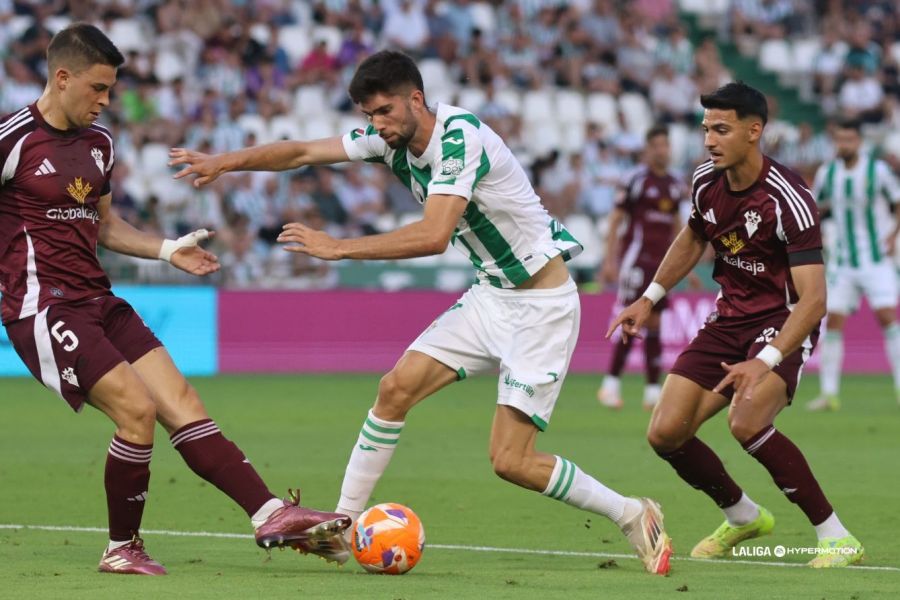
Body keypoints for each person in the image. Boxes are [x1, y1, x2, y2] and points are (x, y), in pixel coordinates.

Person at [170, 49, 673, 575]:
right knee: (395, 389)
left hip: (542, 308)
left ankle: (632, 512)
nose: (378, 125)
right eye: (369, 115)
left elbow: (434, 235)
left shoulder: (460, 138)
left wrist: (339, 248)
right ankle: (343, 526)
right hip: (491, 295)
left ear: (416, 99)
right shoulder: (388, 139)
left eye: (385, 111)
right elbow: (301, 151)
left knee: (511, 461)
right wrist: (224, 162)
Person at [0, 23, 350, 576]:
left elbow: (106, 227)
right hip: (43, 308)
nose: (105, 100)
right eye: (97, 88)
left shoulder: (99, 144)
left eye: (110, 89)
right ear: (62, 78)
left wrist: (168, 250)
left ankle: (270, 514)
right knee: (136, 410)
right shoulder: (13, 139)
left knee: (181, 401)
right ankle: (121, 548)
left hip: (98, 299)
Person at [608, 82, 864, 568]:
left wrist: (764, 361)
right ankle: (743, 515)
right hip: (728, 319)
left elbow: (814, 301)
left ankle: (836, 536)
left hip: (783, 320)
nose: (709, 140)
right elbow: (692, 237)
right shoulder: (705, 180)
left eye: (721, 130)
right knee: (665, 433)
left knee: (745, 421)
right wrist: (649, 297)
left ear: (754, 131)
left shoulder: (789, 198)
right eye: (706, 129)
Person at [807, 118, 900, 411]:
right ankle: (829, 394)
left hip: (876, 258)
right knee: (833, 321)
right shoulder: (828, 173)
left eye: (849, 139)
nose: (844, 145)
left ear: (859, 142)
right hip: (843, 261)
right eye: (840, 139)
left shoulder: (877, 171)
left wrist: (892, 236)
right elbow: (815, 206)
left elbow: (897, 200)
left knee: (887, 317)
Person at [599, 125, 689, 411]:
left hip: (662, 265)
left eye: (666, 145)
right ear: (648, 149)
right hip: (636, 260)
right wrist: (610, 260)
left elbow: (678, 226)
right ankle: (610, 384)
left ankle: (652, 391)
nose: (662, 150)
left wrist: (685, 262)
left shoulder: (675, 184)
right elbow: (616, 219)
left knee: (655, 323)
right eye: (657, 145)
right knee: (631, 319)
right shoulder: (635, 180)